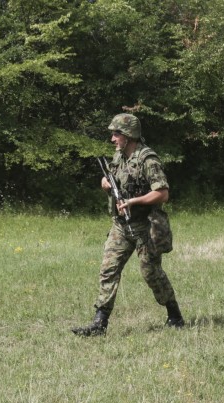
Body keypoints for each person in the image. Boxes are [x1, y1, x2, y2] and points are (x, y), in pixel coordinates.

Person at [72, 113, 184, 336]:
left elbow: (162, 193)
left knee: (150, 273)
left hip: (145, 226)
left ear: (129, 135)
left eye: (116, 134)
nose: (113, 138)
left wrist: (134, 201)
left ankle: (174, 315)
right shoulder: (119, 157)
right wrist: (104, 183)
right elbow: (112, 179)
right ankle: (99, 323)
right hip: (121, 225)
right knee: (108, 269)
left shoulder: (148, 159)